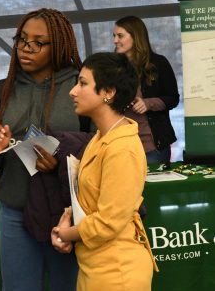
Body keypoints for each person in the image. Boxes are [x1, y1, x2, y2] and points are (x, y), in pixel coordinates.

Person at [0, 8, 90, 291]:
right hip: (15, 212)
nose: (26, 49)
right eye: (21, 40)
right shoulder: (4, 90)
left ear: (60, 46)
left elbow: (100, 150)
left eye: (38, 43)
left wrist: (60, 162)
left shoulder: (81, 87)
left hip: (67, 214)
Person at [52, 52, 159, 291]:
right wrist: (66, 221)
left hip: (117, 272)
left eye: (82, 83)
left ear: (108, 93)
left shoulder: (122, 148)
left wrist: (66, 234)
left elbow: (108, 222)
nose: (73, 91)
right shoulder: (102, 138)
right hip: (95, 267)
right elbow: (90, 200)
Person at [113, 15, 179, 166]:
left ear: (135, 36)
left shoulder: (159, 63)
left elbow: (173, 98)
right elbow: (103, 99)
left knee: (153, 189)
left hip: (153, 147)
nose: (115, 40)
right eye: (114, 36)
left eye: (120, 36)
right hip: (121, 147)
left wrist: (147, 103)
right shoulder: (111, 67)